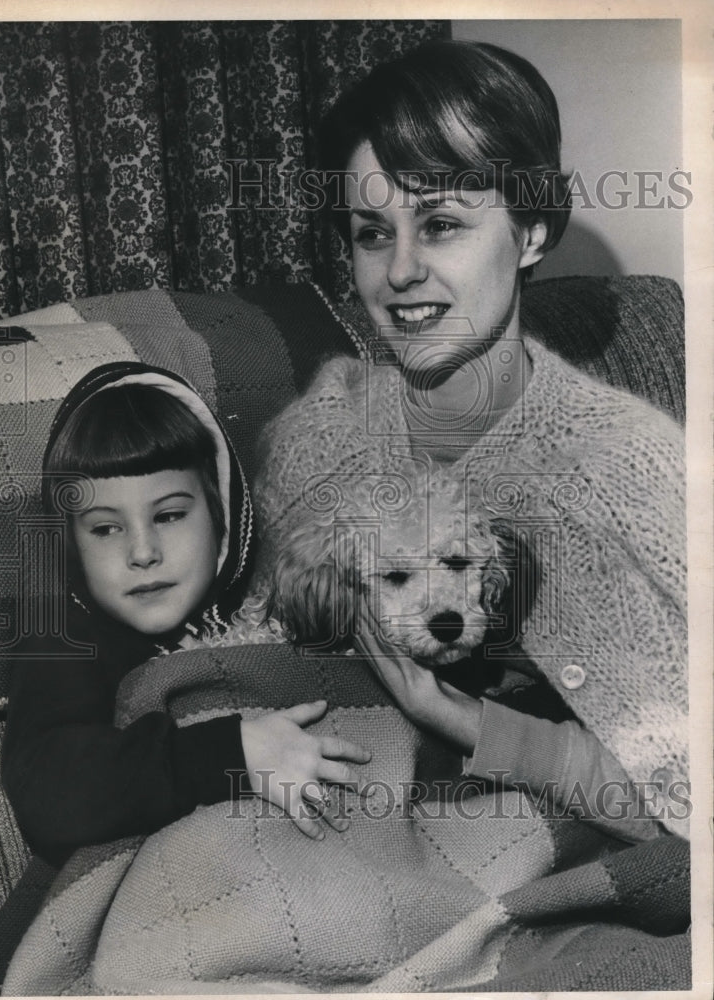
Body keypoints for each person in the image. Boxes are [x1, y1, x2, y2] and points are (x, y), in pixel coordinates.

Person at [255, 40, 688, 841]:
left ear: (528, 234)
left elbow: (684, 804)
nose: (401, 271)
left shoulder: (631, 467)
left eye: (442, 222)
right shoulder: (319, 433)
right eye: (372, 233)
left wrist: (461, 717)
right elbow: (247, 662)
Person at [1, 361, 370, 868]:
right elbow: (48, 792)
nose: (144, 552)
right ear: (68, 544)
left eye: (170, 515)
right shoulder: (62, 641)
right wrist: (233, 754)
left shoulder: (277, 606)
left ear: (221, 515)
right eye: (106, 529)